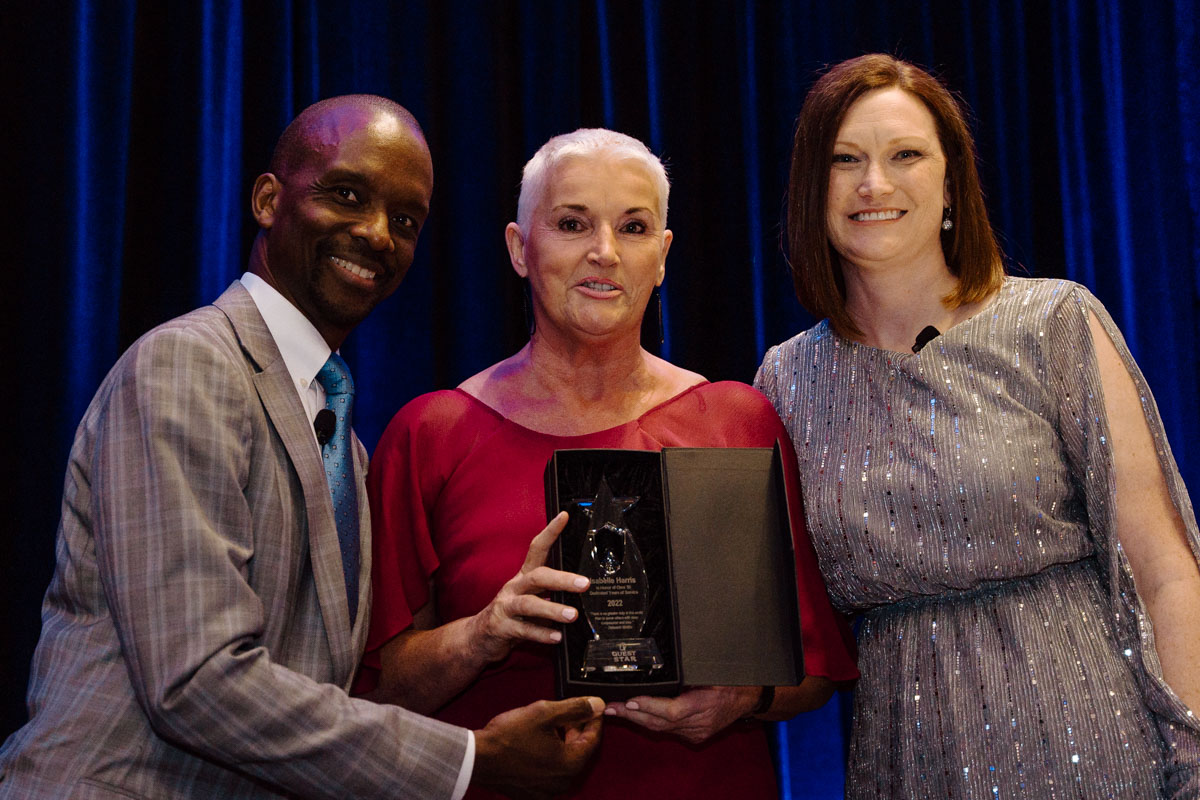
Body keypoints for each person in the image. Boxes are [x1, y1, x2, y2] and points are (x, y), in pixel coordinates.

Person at [0, 95, 604, 800]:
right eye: (347, 195)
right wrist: (471, 760)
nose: (378, 234)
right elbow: (195, 682)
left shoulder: (340, 437)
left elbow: (322, 693)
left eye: (405, 221)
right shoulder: (187, 366)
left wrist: (483, 632)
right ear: (266, 199)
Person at [356, 128, 859, 799]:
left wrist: (744, 700)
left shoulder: (736, 420)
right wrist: (484, 633)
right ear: (518, 248)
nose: (604, 252)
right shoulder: (431, 434)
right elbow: (372, 689)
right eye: (572, 224)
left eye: (633, 227)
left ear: (662, 256)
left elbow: (814, 669)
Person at [754, 53, 1200, 798]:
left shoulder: (1054, 322)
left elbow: (1163, 570)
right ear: (812, 189)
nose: (874, 184)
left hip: (1092, 745)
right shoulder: (787, 381)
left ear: (952, 181)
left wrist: (1196, 762)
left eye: (905, 155)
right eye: (845, 160)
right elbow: (800, 636)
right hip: (906, 759)